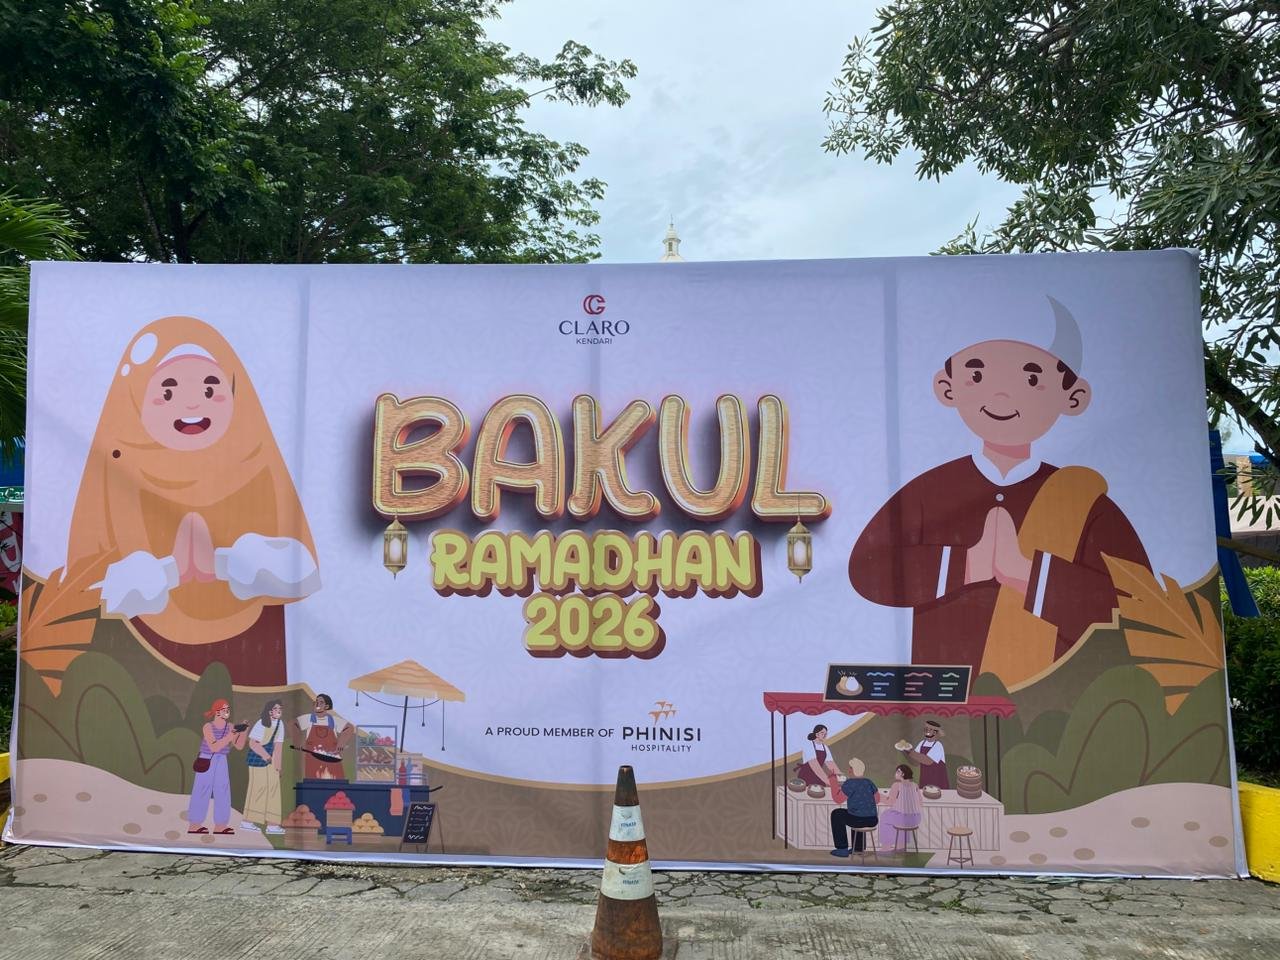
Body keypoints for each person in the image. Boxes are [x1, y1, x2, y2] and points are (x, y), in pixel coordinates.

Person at [849, 296, 1151, 687]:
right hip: (945, 695)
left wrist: (1027, 574)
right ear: (946, 387)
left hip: (1055, 701)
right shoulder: (930, 490)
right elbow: (867, 568)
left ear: (1073, 397)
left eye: (1031, 379)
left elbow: (1142, 611)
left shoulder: (1085, 502)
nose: (1001, 396)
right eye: (977, 375)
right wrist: (967, 564)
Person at [20, 316, 321, 692]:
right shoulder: (115, 473)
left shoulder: (257, 461)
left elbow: (304, 569)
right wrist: (167, 572)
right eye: (167, 392)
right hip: (142, 651)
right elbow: (81, 590)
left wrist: (228, 562)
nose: (193, 403)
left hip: (253, 647)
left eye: (210, 389)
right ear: (135, 400)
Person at [187, 698, 247, 835]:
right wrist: (231, 735)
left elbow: (239, 746)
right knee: (202, 789)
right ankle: (194, 824)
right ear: (217, 711)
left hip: (222, 760)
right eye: (224, 709)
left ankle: (220, 825)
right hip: (207, 758)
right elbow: (214, 747)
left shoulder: (230, 726)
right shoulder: (208, 727)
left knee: (223, 790)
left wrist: (243, 732)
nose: (227, 712)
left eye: (228, 709)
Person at [242, 699, 286, 834]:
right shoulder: (261, 723)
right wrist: (266, 756)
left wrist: (278, 766)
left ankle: (272, 824)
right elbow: (253, 743)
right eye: (276, 708)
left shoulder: (280, 724)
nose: (279, 711)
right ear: (269, 711)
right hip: (258, 760)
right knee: (258, 789)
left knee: (274, 789)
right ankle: (248, 822)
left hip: (272, 761)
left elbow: (278, 746)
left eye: (280, 708)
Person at [291, 694, 354, 780]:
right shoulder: (308, 719)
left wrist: (341, 743)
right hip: (313, 760)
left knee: (336, 783)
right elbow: (292, 724)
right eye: (316, 702)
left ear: (327, 706)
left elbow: (350, 727)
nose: (317, 704)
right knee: (313, 783)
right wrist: (297, 742)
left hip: (331, 759)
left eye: (321, 702)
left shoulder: (333, 720)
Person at [830, 758, 879, 857]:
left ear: (853, 770)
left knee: (837, 814)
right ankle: (858, 848)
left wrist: (833, 782)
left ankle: (842, 849)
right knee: (854, 813)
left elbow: (838, 799)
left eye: (850, 768)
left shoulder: (850, 783)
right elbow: (877, 799)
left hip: (858, 820)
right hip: (873, 820)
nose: (848, 770)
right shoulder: (869, 782)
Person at [877, 764, 923, 851]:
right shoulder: (915, 785)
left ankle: (886, 847)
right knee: (895, 817)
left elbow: (890, 802)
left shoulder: (896, 785)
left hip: (903, 819)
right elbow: (920, 802)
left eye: (898, 771)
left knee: (885, 816)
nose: (896, 773)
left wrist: (879, 796)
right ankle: (900, 846)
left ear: (903, 774)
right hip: (916, 819)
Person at [901, 718, 949, 790]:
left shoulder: (938, 745)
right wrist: (905, 750)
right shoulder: (922, 743)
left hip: (937, 779)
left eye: (930, 730)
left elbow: (927, 761)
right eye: (926, 729)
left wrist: (910, 751)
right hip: (925, 778)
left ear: (935, 733)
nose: (927, 732)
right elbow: (916, 762)